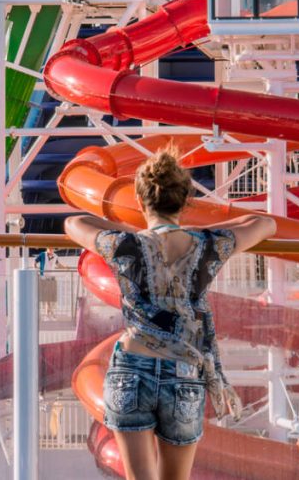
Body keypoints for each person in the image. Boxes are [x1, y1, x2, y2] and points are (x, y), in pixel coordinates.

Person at [64, 147, 276, 480]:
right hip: (183, 372)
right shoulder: (209, 245)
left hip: (131, 367)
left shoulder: (125, 245)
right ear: (187, 199)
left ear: (139, 197)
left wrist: (128, 232)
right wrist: (213, 231)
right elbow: (264, 223)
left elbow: (74, 222)